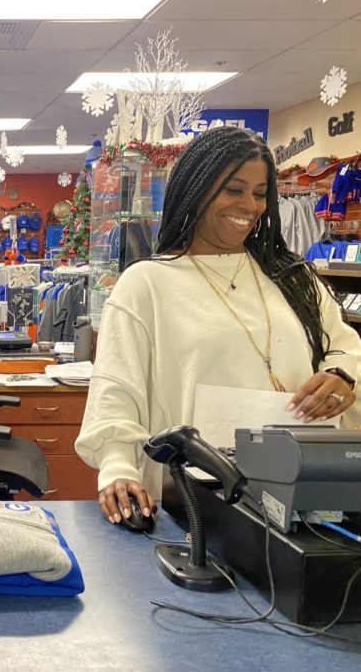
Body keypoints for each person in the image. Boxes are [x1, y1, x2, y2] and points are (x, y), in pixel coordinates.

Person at [74, 126, 361, 526]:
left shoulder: (295, 279)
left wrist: (341, 376)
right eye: (233, 189)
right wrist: (117, 469)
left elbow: (348, 349)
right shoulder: (147, 284)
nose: (250, 205)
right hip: (195, 503)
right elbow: (117, 390)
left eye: (260, 193)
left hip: (304, 499)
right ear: (197, 188)